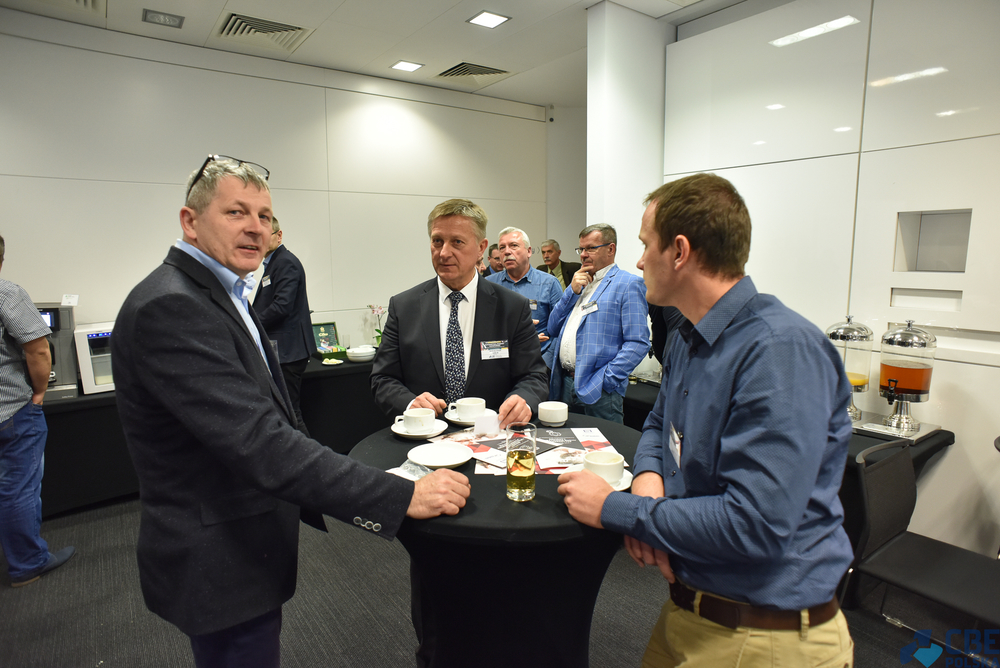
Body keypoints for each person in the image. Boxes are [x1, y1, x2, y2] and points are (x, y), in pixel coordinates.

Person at [111, 156, 470, 668]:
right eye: (236, 212)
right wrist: (400, 494)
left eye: (264, 215)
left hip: (240, 542)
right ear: (190, 221)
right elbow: (261, 442)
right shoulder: (174, 306)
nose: (255, 228)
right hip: (220, 556)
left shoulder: (218, 293)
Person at [558, 173, 855, 668]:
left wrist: (616, 509)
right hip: (690, 609)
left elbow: (754, 524)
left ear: (679, 251)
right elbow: (659, 423)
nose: (638, 261)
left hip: (764, 636)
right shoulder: (688, 336)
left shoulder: (778, 350)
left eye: (645, 245)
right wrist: (648, 482)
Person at [371, 199, 548, 429]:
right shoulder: (404, 307)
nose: (444, 253)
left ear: (481, 248)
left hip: (491, 435)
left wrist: (524, 400)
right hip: (423, 436)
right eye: (437, 241)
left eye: (457, 242)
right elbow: (383, 379)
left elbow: (534, 376)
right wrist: (410, 403)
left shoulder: (512, 308)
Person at [0, 235, 76, 587]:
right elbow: (39, 350)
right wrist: (40, 394)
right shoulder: (7, 293)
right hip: (11, 410)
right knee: (18, 488)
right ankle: (28, 564)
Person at [546, 224, 649, 423]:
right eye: (581, 249)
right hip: (565, 385)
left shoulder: (628, 284)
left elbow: (638, 343)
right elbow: (552, 327)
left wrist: (605, 380)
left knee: (605, 442)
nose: (583, 255)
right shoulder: (580, 283)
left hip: (599, 391)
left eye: (590, 248)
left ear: (611, 249)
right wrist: (571, 292)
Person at [253, 216, 316, 436]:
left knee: (291, 414)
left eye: (265, 235)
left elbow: (282, 306)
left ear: (278, 235)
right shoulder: (274, 263)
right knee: (286, 412)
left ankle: (310, 457)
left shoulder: (285, 262)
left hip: (289, 351)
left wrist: (250, 322)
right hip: (284, 350)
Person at [484, 227, 562, 362]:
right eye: (502, 247)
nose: (507, 251)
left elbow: (561, 328)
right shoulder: (488, 285)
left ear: (529, 251)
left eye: (514, 245)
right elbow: (483, 331)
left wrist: (546, 364)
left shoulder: (549, 283)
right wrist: (522, 341)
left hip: (538, 363)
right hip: (499, 364)